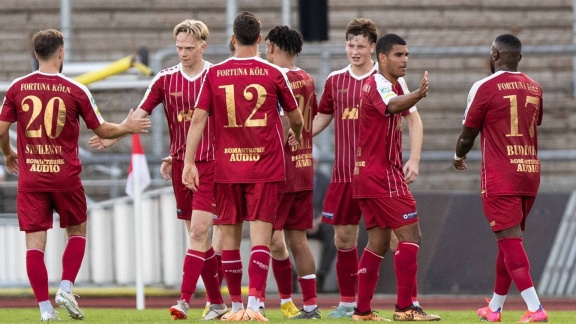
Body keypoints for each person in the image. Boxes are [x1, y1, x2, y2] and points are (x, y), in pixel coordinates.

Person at [0, 28, 151, 322]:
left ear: (35, 54)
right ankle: (66, 287)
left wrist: (8, 152)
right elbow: (102, 130)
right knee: (78, 230)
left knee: (34, 245)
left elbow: (1, 130)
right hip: (65, 176)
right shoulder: (75, 89)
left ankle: (45, 310)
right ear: (61, 52)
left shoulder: (17, 88)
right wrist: (127, 127)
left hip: (31, 178)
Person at [88, 19, 227, 321]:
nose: (183, 53)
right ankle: (217, 304)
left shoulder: (216, 76)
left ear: (203, 46)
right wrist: (114, 136)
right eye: (179, 48)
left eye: (189, 48)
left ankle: (184, 301)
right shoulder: (165, 79)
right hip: (180, 165)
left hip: (212, 164)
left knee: (199, 232)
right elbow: (138, 117)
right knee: (196, 240)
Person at [182, 11, 303, 322]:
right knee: (261, 238)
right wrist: (297, 133)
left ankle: (235, 308)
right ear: (260, 40)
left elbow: (197, 120)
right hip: (265, 167)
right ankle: (256, 305)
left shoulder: (214, 73)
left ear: (233, 39)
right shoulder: (274, 73)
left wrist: (188, 162)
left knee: (230, 239)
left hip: (227, 168)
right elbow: (297, 117)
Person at [313, 18, 425, 317]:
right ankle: (351, 303)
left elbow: (412, 118)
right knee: (345, 239)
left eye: (361, 45)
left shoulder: (387, 79)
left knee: (391, 238)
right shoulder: (336, 80)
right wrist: (301, 134)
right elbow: (324, 114)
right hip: (345, 175)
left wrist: (413, 158)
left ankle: (407, 301)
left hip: (377, 172)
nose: (355, 51)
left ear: (374, 48)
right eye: (350, 45)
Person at [453, 34, 548, 323]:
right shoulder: (535, 87)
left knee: (509, 242)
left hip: (500, 174)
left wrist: (459, 156)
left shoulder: (484, 87)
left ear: (494, 55)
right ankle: (494, 308)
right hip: (529, 173)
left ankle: (535, 308)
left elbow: (468, 133)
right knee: (509, 241)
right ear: (519, 57)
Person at [351, 33, 440, 322]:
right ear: (383, 58)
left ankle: (361, 311)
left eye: (407, 55)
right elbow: (393, 106)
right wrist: (418, 93)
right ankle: (405, 308)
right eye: (399, 55)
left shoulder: (391, 84)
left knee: (376, 242)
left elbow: (404, 110)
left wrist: (412, 158)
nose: (405, 60)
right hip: (380, 175)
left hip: (367, 174)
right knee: (411, 234)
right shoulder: (377, 83)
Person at [264, 25, 321, 319]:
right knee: (297, 239)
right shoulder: (307, 78)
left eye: (267, 46)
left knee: (272, 238)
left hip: (283, 170)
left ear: (273, 46)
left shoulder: (278, 78)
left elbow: (288, 118)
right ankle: (309, 306)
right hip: (304, 167)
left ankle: (285, 301)